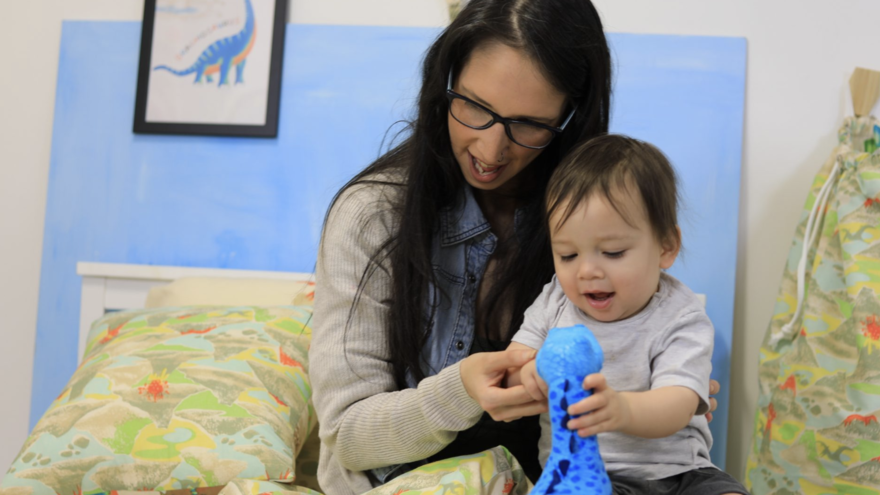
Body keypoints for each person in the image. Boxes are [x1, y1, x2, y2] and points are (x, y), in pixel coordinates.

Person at [308, 1, 718, 493]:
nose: (490, 150)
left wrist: (662, 391)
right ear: (445, 84)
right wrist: (461, 391)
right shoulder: (371, 217)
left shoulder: (589, 219)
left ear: (570, 118)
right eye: (475, 107)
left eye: (528, 125)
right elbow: (345, 435)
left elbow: (657, 359)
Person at [506, 134, 747, 495]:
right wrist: (531, 375)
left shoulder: (682, 315)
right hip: (586, 475)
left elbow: (679, 402)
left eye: (613, 252)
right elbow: (510, 369)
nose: (586, 271)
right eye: (568, 255)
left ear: (666, 247)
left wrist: (622, 409)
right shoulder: (554, 302)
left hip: (681, 474)